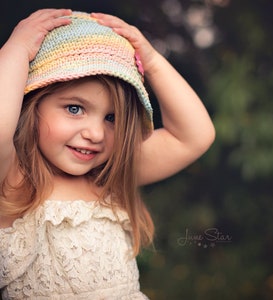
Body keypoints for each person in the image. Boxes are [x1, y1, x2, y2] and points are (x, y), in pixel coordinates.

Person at [0, 8, 215, 299]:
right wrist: (16, 51)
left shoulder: (108, 175)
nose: (97, 134)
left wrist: (150, 61)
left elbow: (194, 136)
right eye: (75, 109)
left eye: (111, 118)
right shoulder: (14, 181)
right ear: (32, 105)